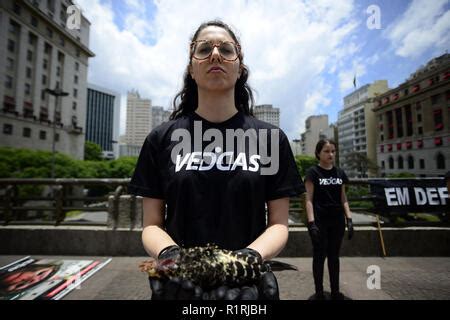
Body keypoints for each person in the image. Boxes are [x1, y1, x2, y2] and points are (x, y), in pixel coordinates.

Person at [129, 20, 304, 300]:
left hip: (247, 287)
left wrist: (247, 259)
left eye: (225, 49)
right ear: (191, 68)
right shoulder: (161, 138)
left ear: (240, 67)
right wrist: (173, 258)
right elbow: (151, 224)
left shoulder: (271, 139)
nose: (215, 55)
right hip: (181, 288)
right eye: (204, 49)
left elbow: (279, 224)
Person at [305, 139, 353, 300]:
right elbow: (308, 199)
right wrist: (311, 223)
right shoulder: (313, 173)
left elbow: (343, 197)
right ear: (318, 153)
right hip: (319, 221)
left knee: (334, 256)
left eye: (333, 151)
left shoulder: (340, 173)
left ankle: (335, 291)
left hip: (337, 222)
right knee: (319, 256)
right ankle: (319, 292)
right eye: (326, 151)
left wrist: (349, 219)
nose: (330, 154)